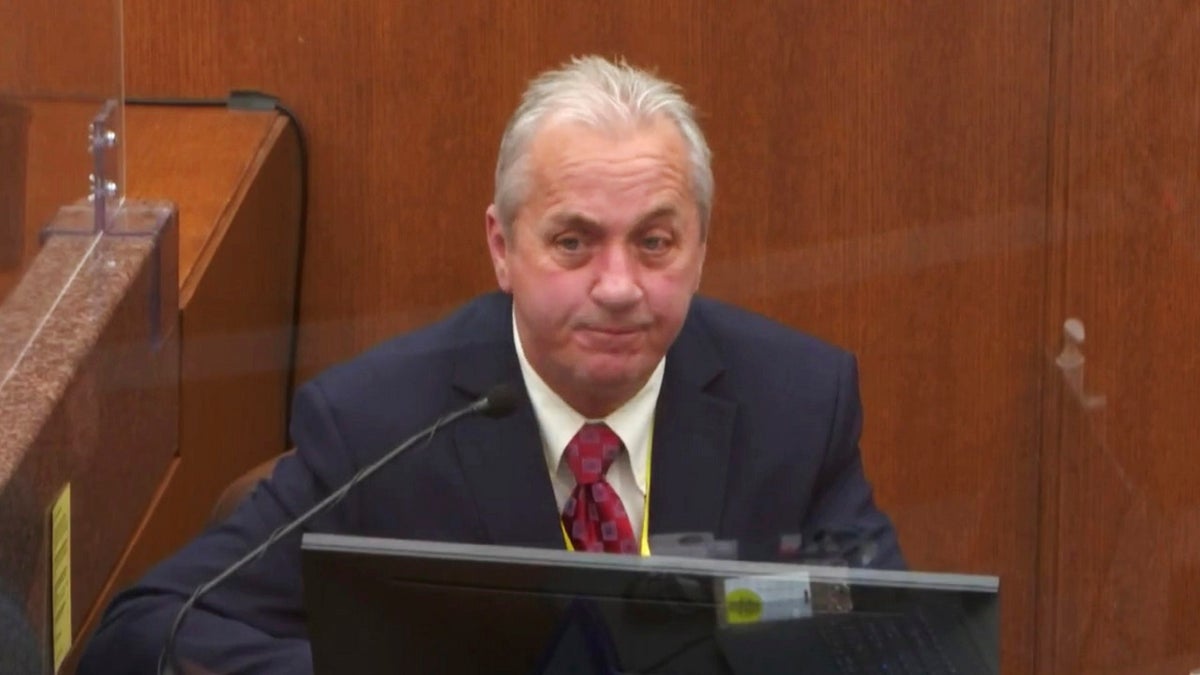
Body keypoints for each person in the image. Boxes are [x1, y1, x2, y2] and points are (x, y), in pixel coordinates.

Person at [78, 55, 902, 675]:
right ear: (503, 249)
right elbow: (147, 630)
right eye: (573, 241)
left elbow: (886, 631)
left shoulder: (798, 402)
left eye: (654, 242)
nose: (618, 286)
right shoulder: (380, 421)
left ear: (700, 249)